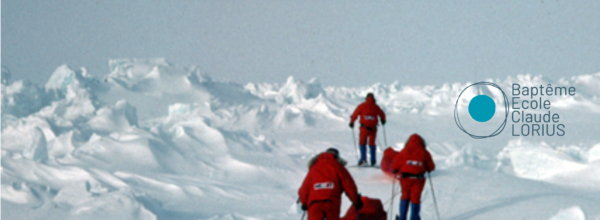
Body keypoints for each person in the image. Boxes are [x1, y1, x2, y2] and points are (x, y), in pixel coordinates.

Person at [299, 148, 363, 220]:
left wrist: (304, 203)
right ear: (336, 156)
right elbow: (348, 185)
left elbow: (304, 188)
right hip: (331, 202)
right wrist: (356, 200)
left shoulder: (314, 168)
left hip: (314, 203)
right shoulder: (338, 167)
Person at [391, 134, 435, 220]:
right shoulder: (425, 152)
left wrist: (395, 170)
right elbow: (431, 167)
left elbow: (395, 165)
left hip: (405, 179)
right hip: (418, 179)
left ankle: (402, 218)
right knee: (416, 198)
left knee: (405, 196)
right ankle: (414, 218)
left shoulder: (404, 151)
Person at [349, 93, 386, 166]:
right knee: (372, 143)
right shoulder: (376, 107)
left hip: (364, 128)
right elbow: (382, 114)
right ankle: (373, 160)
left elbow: (355, 114)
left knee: (362, 143)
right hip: (373, 129)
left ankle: (363, 159)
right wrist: (383, 120)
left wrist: (352, 122)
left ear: (366, 98)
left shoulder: (362, 106)